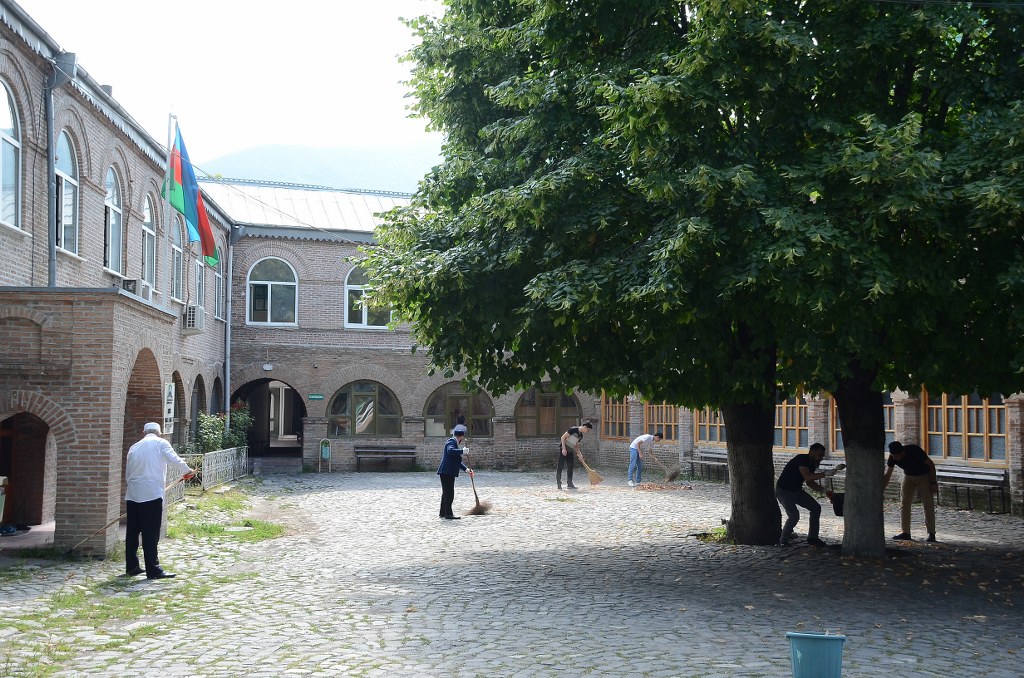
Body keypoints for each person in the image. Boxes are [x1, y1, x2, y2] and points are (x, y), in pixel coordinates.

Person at [125, 422, 194, 579]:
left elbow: (128, 473)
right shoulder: (161, 443)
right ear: (159, 433)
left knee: (132, 532)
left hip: (133, 494)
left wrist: (133, 488)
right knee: (150, 532)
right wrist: (188, 470)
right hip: (151, 494)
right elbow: (174, 459)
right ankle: (153, 569)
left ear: (144, 433)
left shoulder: (134, 447)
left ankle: (132, 566)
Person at [775, 443, 839, 547]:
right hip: (784, 491)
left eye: (822, 456)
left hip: (797, 491)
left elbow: (809, 483)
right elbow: (808, 476)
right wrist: (825, 474)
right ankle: (783, 540)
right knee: (794, 515)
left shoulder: (813, 463)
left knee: (815, 508)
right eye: (820, 455)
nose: (821, 458)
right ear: (812, 452)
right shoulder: (801, 459)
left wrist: (824, 490)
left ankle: (813, 538)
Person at [883, 441, 938, 542]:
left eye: (896, 456)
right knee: (904, 503)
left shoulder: (914, 451)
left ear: (902, 452)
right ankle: (906, 532)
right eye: (893, 456)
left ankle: (931, 533)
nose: (895, 458)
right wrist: (882, 489)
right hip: (908, 477)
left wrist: (933, 482)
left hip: (924, 476)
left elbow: (931, 464)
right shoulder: (892, 457)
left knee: (928, 504)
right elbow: (888, 474)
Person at [437, 424, 473, 519]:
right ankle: (448, 514)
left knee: (446, 493)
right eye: (462, 437)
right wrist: (462, 451)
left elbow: (457, 461)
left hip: (448, 472)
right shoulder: (451, 441)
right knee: (449, 493)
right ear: (461, 437)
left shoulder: (454, 443)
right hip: (446, 472)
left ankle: (443, 513)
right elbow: (450, 451)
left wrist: (466, 469)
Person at [557, 421, 593, 490]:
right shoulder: (573, 429)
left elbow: (576, 446)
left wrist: (580, 454)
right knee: (560, 467)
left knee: (570, 467)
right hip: (563, 450)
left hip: (570, 451)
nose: (587, 431)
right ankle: (559, 484)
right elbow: (563, 437)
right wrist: (563, 449)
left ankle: (570, 484)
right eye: (588, 430)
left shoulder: (581, 436)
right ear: (585, 427)